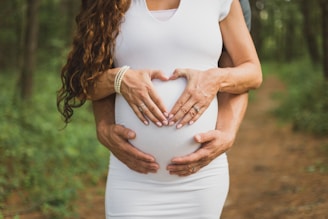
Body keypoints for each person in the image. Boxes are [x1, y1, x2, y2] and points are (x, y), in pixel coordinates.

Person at [57, 0, 262, 218]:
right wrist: (119, 79)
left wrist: (216, 79)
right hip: (131, 178)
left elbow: (251, 72)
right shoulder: (107, 4)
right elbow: (81, 84)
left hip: (201, 179)